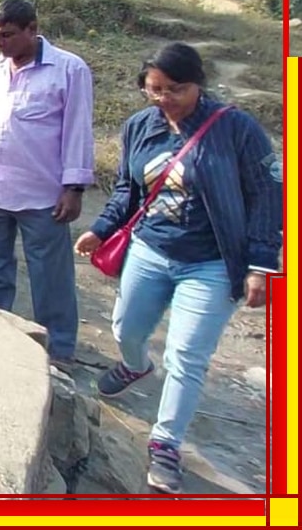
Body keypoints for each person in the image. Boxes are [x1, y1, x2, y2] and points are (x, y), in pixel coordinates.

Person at [73, 43, 281, 494]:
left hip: (210, 261)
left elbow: (269, 195)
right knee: (126, 328)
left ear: (198, 83)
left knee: (187, 356)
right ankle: (134, 365)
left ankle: (166, 444)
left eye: (176, 89)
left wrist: (263, 264)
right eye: (155, 89)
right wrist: (102, 229)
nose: (164, 98)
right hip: (150, 249)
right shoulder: (139, 127)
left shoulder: (237, 130)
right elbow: (127, 190)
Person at [0, 0, 95, 367]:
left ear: (33, 29)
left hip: (42, 195)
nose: (1, 42)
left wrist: (74, 187)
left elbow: (78, 131)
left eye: (9, 35)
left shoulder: (68, 70)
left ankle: (60, 348)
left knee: (50, 275)